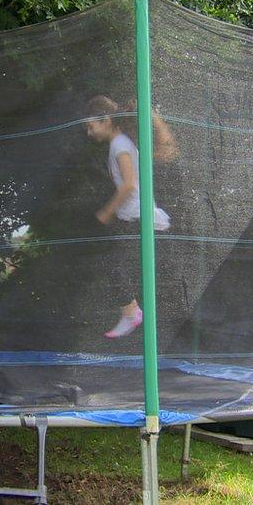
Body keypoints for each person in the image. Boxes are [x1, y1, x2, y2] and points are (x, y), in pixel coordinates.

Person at [86, 95, 172, 338]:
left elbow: (129, 185)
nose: (89, 133)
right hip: (136, 218)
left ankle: (131, 313)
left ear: (106, 120)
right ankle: (132, 312)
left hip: (138, 219)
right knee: (118, 266)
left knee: (111, 264)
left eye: (91, 126)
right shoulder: (121, 143)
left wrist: (106, 211)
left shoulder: (119, 145)